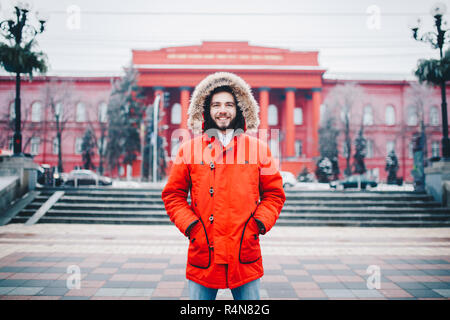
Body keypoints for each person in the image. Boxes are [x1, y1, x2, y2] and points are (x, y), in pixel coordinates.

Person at [161, 72, 286, 300]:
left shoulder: (259, 150)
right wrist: (192, 228)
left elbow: (274, 194)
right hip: (204, 254)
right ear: (206, 110)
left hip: (244, 254)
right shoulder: (188, 150)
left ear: (239, 109)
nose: (223, 110)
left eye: (229, 104)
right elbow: (173, 195)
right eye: (216, 104)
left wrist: (257, 224)